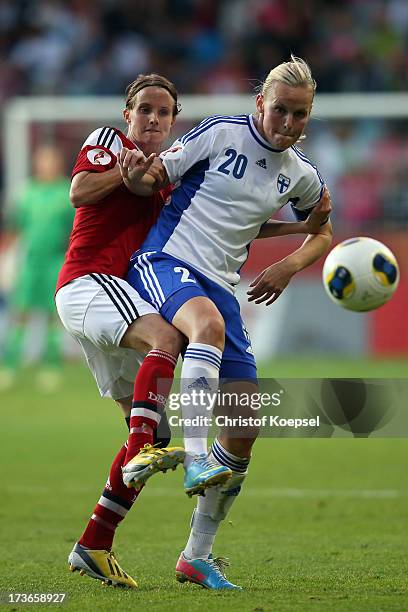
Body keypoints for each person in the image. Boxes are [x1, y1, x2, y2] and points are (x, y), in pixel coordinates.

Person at [118, 56, 333, 590]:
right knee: (206, 328)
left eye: (299, 115)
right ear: (260, 103)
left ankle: (196, 556)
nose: (287, 124)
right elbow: (156, 178)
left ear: (309, 115)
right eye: (279, 110)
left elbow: (324, 229)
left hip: (221, 286)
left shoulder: (301, 175)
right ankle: (193, 458)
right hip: (167, 261)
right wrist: (138, 177)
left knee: (243, 428)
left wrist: (288, 265)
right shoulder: (218, 134)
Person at [55, 74, 188, 589]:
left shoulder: (169, 175)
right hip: (89, 282)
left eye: (163, 113)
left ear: (174, 122)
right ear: (127, 114)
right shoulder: (109, 143)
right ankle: (143, 446)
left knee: (153, 429)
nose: (153, 119)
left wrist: (295, 228)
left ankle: (94, 544)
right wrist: (124, 172)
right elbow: (79, 191)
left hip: (110, 298)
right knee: (168, 340)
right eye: (145, 110)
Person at [0, 144, 73, 392]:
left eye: (51, 160)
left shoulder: (67, 193)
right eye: (43, 160)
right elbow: (13, 228)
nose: (47, 165)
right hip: (30, 262)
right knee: (20, 314)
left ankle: (51, 366)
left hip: (56, 261)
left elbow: (75, 232)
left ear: (58, 164)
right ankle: (9, 365)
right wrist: (6, 260)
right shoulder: (26, 192)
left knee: (55, 315)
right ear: (36, 163)